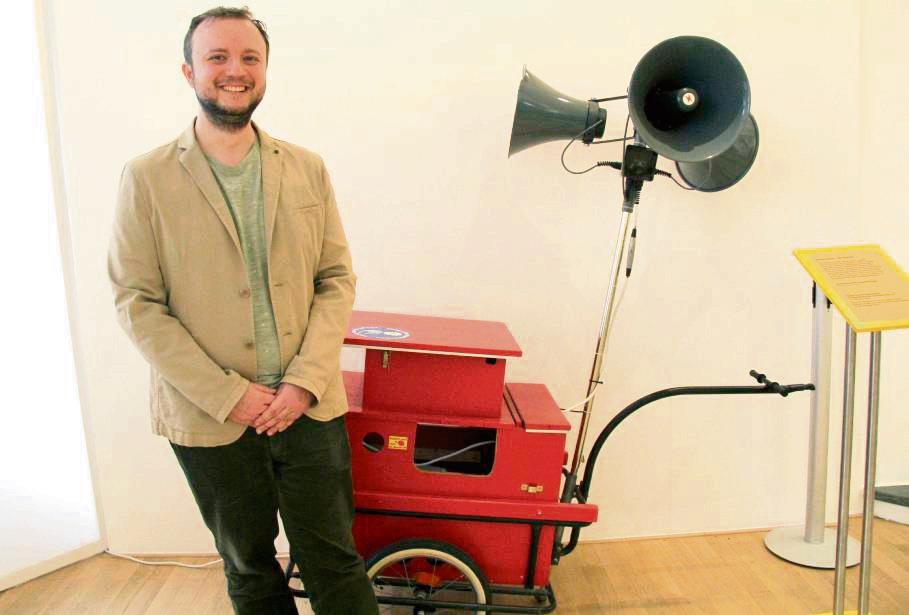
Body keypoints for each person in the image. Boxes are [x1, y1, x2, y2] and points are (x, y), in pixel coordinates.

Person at [107, 7, 378, 615]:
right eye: (218, 58)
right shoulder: (146, 179)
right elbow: (137, 303)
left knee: (335, 560)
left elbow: (336, 280)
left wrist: (305, 383)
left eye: (249, 58)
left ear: (266, 71)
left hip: (308, 407)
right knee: (250, 569)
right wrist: (230, 394)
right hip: (212, 419)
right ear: (189, 71)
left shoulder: (307, 168)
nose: (236, 70)